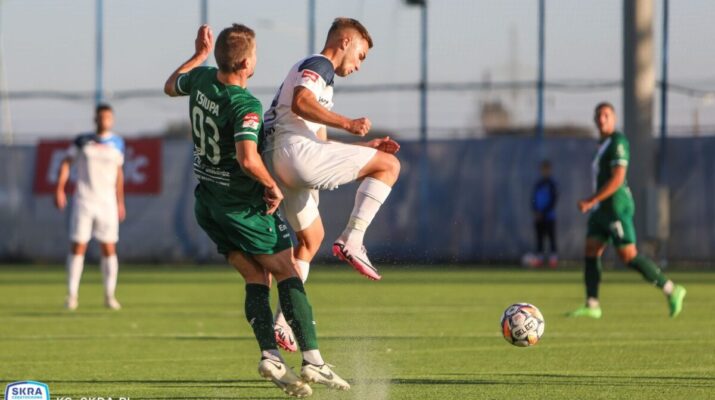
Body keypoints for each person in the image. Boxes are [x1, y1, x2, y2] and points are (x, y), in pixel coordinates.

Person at [164, 24, 349, 397]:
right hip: (241, 206)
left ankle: (270, 355)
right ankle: (313, 359)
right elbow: (249, 159)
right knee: (288, 271)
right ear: (248, 62)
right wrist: (270, 185)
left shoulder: (200, 79)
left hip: (208, 204)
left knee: (255, 277)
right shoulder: (244, 105)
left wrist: (198, 56)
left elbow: (171, 85)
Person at [261, 17, 400, 352]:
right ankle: (353, 240)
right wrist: (349, 123)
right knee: (390, 166)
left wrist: (361, 149)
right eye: (361, 55)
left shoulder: (322, 80)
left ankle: (282, 323)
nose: (359, 65)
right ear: (346, 42)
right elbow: (300, 102)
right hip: (293, 153)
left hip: (284, 160)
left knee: (311, 240)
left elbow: (319, 141)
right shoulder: (320, 64)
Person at [568, 102, 686, 319]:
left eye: (606, 115)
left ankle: (671, 289)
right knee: (591, 250)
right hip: (601, 210)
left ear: (613, 118)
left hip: (615, 208)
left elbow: (618, 178)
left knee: (628, 255)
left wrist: (591, 200)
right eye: (598, 116)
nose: (601, 119)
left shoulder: (617, 142)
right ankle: (592, 304)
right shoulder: (602, 144)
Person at [54, 104, 125, 311]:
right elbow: (66, 163)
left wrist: (121, 201)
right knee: (78, 246)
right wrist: (59, 189)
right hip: (84, 201)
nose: (104, 120)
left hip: (107, 203)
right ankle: (72, 295)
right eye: (101, 117)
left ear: (112, 120)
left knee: (109, 248)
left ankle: (109, 296)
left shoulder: (117, 143)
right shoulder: (82, 141)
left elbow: (119, 174)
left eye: (108, 117)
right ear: (95, 119)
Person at [528, 160, 558, 268]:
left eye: (547, 169)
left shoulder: (551, 184)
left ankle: (553, 260)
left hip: (549, 216)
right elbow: (533, 200)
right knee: (539, 239)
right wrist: (536, 211)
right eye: (543, 169)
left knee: (551, 238)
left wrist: (544, 212)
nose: (545, 171)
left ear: (549, 170)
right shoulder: (538, 184)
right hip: (539, 217)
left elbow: (553, 200)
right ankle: (539, 259)